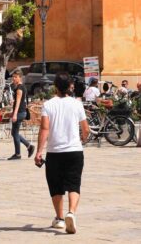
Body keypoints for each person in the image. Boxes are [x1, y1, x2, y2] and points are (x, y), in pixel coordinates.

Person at [36, 72, 90, 234]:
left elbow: (45, 128)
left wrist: (39, 151)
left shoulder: (49, 105)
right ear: (70, 87)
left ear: (55, 87)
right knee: (74, 183)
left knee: (56, 185)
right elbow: (85, 129)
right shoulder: (77, 104)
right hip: (74, 150)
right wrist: (82, 139)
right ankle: (71, 213)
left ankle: (59, 219)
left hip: (55, 151)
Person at [8, 70, 35, 160]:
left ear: (20, 77)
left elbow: (19, 102)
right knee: (14, 133)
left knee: (15, 133)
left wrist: (15, 114)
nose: (14, 79)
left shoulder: (19, 88)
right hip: (21, 112)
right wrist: (13, 112)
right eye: (13, 77)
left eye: (16, 77)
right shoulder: (22, 87)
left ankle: (18, 154)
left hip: (20, 112)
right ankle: (28, 146)